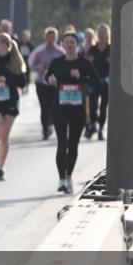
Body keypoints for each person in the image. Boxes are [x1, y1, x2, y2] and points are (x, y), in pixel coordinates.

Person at [45, 32, 102, 194]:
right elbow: (48, 76)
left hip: (78, 109)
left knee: (73, 144)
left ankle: (69, 176)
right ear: (62, 45)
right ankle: (61, 179)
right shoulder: (56, 62)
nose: (69, 45)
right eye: (67, 42)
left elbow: (97, 83)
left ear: (77, 45)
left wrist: (82, 77)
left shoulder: (84, 63)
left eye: (72, 42)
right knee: (62, 142)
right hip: (60, 107)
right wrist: (50, 80)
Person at [0, 32, 28, 181]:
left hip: (10, 101)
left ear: (3, 45)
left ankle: (1, 168)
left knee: (4, 136)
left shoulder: (15, 60)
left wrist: (7, 78)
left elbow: (22, 83)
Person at [29, 27, 65, 140]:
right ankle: (45, 129)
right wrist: (37, 68)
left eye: (53, 37)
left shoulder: (60, 52)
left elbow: (65, 65)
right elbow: (31, 65)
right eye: (49, 37)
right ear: (45, 38)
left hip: (54, 83)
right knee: (44, 107)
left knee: (53, 106)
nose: (51, 39)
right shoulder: (39, 51)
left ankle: (50, 124)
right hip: (41, 82)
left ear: (56, 38)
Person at [85, 24, 110, 141]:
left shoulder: (111, 49)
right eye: (99, 33)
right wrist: (89, 62)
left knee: (104, 108)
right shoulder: (92, 49)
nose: (101, 35)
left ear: (107, 35)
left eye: (104, 33)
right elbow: (86, 65)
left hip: (107, 82)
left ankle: (100, 130)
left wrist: (111, 61)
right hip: (94, 82)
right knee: (93, 106)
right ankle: (93, 124)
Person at [18, 29, 34, 94]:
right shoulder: (19, 44)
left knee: (27, 75)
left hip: (28, 63)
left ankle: (27, 87)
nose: (25, 38)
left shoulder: (31, 45)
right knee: (21, 75)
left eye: (26, 36)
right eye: (24, 36)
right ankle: (22, 87)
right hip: (20, 63)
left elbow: (33, 54)